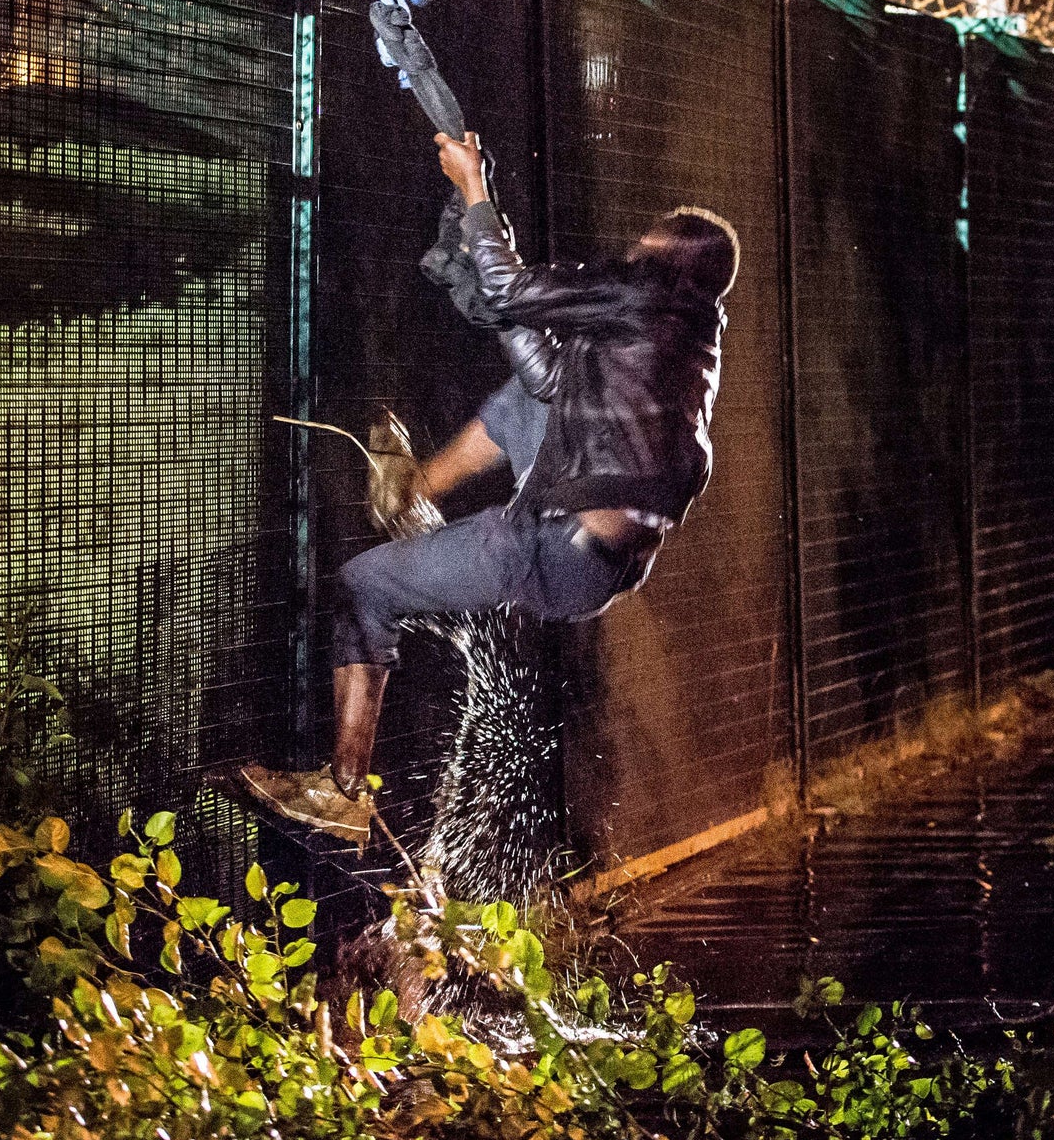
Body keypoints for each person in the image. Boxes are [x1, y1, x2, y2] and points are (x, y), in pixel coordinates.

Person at [237, 131, 739, 845]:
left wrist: (473, 187)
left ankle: (343, 788)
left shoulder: (647, 295)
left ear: (663, 258)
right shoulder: (685, 344)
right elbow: (541, 368)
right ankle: (413, 493)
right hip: (595, 566)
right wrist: (485, 234)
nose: (629, 254)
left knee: (361, 587)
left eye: (643, 246)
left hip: (550, 549)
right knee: (530, 398)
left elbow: (510, 290)